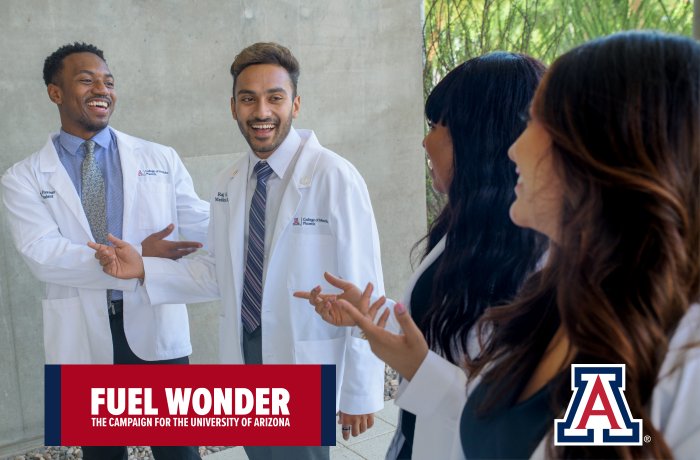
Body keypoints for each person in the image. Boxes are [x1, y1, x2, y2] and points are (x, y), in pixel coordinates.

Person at [340, 31, 700, 459]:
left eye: (539, 125)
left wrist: (422, 369)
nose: (514, 148)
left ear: (606, 155)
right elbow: (576, 441)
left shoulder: (679, 358)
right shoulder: (567, 303)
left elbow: (617, 442)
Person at [89, 42, 385, 460]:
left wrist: (361, 387)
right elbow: (219, 272)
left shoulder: (334, 176)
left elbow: (365, 284)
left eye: (275, 98)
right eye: (248, 99)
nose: (261, 111)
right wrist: (143, 270)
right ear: (233, 107)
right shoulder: (228, 182)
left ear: (295, 104)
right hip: (246, 350)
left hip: (303, 351)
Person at [295, 52, 548, 459]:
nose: (425, 141)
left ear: (482, 136)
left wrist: (420, 370)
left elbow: (552, 431)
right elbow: (440, 344)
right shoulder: (464, 229)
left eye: (436, 126)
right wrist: (368, 319)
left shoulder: (555, 265)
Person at [1, 43, 209, 459]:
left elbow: (201, 225)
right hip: (81, 327)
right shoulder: (22, 177)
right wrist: (124, 261)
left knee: (178, 449)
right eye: (86, 79)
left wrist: (141, 263)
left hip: (155, 315)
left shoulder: (159, 158)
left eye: (108, 81)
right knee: (101, 450)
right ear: (54, 92)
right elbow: (41, 252)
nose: (102, 88)